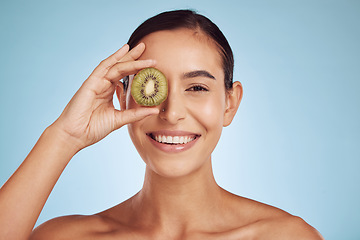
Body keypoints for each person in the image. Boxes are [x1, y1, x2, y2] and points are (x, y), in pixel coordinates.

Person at [0, 9, 323, 240]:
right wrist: (64, 136)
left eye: (196, 87)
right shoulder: (65, 236)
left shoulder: (286, 235)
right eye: (153, 87)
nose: (171, 113)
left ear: (230, 102)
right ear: (122, 96)